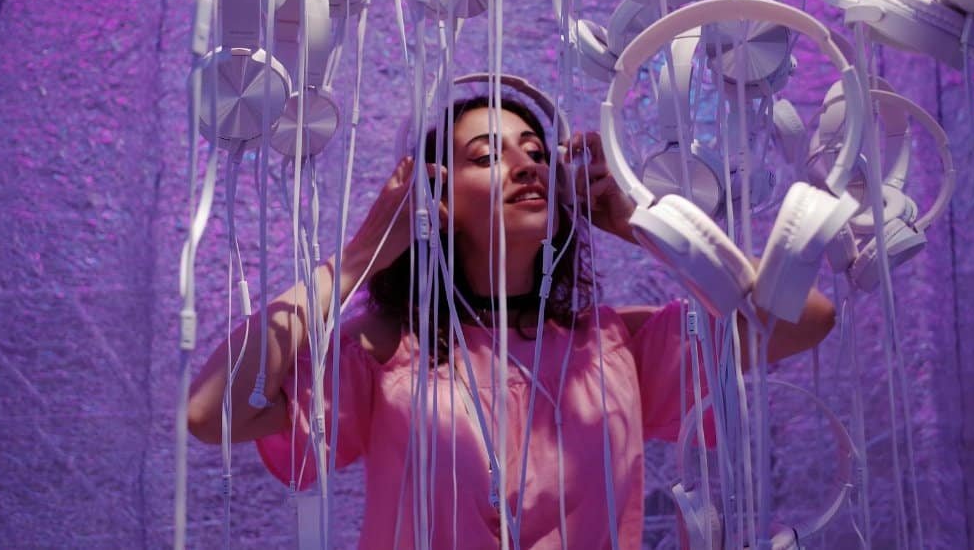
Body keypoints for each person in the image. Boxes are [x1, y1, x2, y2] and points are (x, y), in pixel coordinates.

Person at [186, 92, 836, 548]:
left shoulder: (612, 346)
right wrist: (362, 255)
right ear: (435, 200)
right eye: (486, 156)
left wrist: (643, 222)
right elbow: (212, 411)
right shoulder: (389, 350)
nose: (527, 165)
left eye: (534, 152)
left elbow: (805, 316)